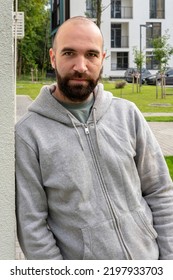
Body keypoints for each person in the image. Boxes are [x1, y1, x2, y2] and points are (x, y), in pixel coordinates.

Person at [15, 16, 173, 260]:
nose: (81, 66)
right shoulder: (28, 134)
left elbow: (160, 192)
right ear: (53, 58)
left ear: (102, 58)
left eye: (91, 54)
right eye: (69, 53)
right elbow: (32, 227)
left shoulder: (127, 114)